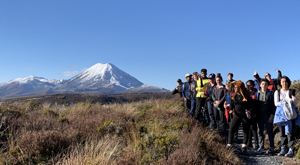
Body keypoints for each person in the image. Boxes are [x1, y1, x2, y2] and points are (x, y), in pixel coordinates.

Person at [274, 76, 299, 157]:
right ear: (280, 83)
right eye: (283, 82)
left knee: (290, 132)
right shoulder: (277, 92)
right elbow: (276, 103)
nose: (284, 83)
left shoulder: (291, 91)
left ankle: (291, 149)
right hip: (281, 115)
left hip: (290, 115)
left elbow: (295, 104)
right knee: (282, 132)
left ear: (288, 82)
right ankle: (283, 148)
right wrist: (286, 102)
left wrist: (293, 98)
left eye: (286, 81)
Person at [227, 80, 251, 154]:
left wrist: (249, 110)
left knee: (245, 130)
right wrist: (231, 110)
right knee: (231, 129)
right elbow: (231, 104)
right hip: (237, 114)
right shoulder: (234, 96)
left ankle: (244, 147)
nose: (235, 88)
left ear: (240, 88)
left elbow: (251, 106)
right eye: (235, 87)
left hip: (244, 115)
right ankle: (229, 145)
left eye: (237, 87)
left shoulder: (246, 96)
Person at [253, 79, 275, 154]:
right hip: (259, 116)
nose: (264, 85)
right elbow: (255, 105)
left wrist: (272, 116)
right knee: (260, 131)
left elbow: (273, 105)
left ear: (267, 85)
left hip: (268, 115)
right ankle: (261, 146)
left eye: (265, 84)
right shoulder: (257, 93)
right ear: (260, 85)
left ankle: (271, 147)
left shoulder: (271, 93)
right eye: (262, 84)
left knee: (269, 132)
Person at [246, 80, 259, 150]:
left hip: (254, 112)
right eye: (247, 85)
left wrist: (251, 111)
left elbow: (256, 103)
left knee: (254, 128)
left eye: (250, 85)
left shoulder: (256, 92)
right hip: (247, 112)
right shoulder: (246, 93)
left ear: (253, 85)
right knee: (249, 128)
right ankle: (249, 143)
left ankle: (256, 144)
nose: (249, 87)